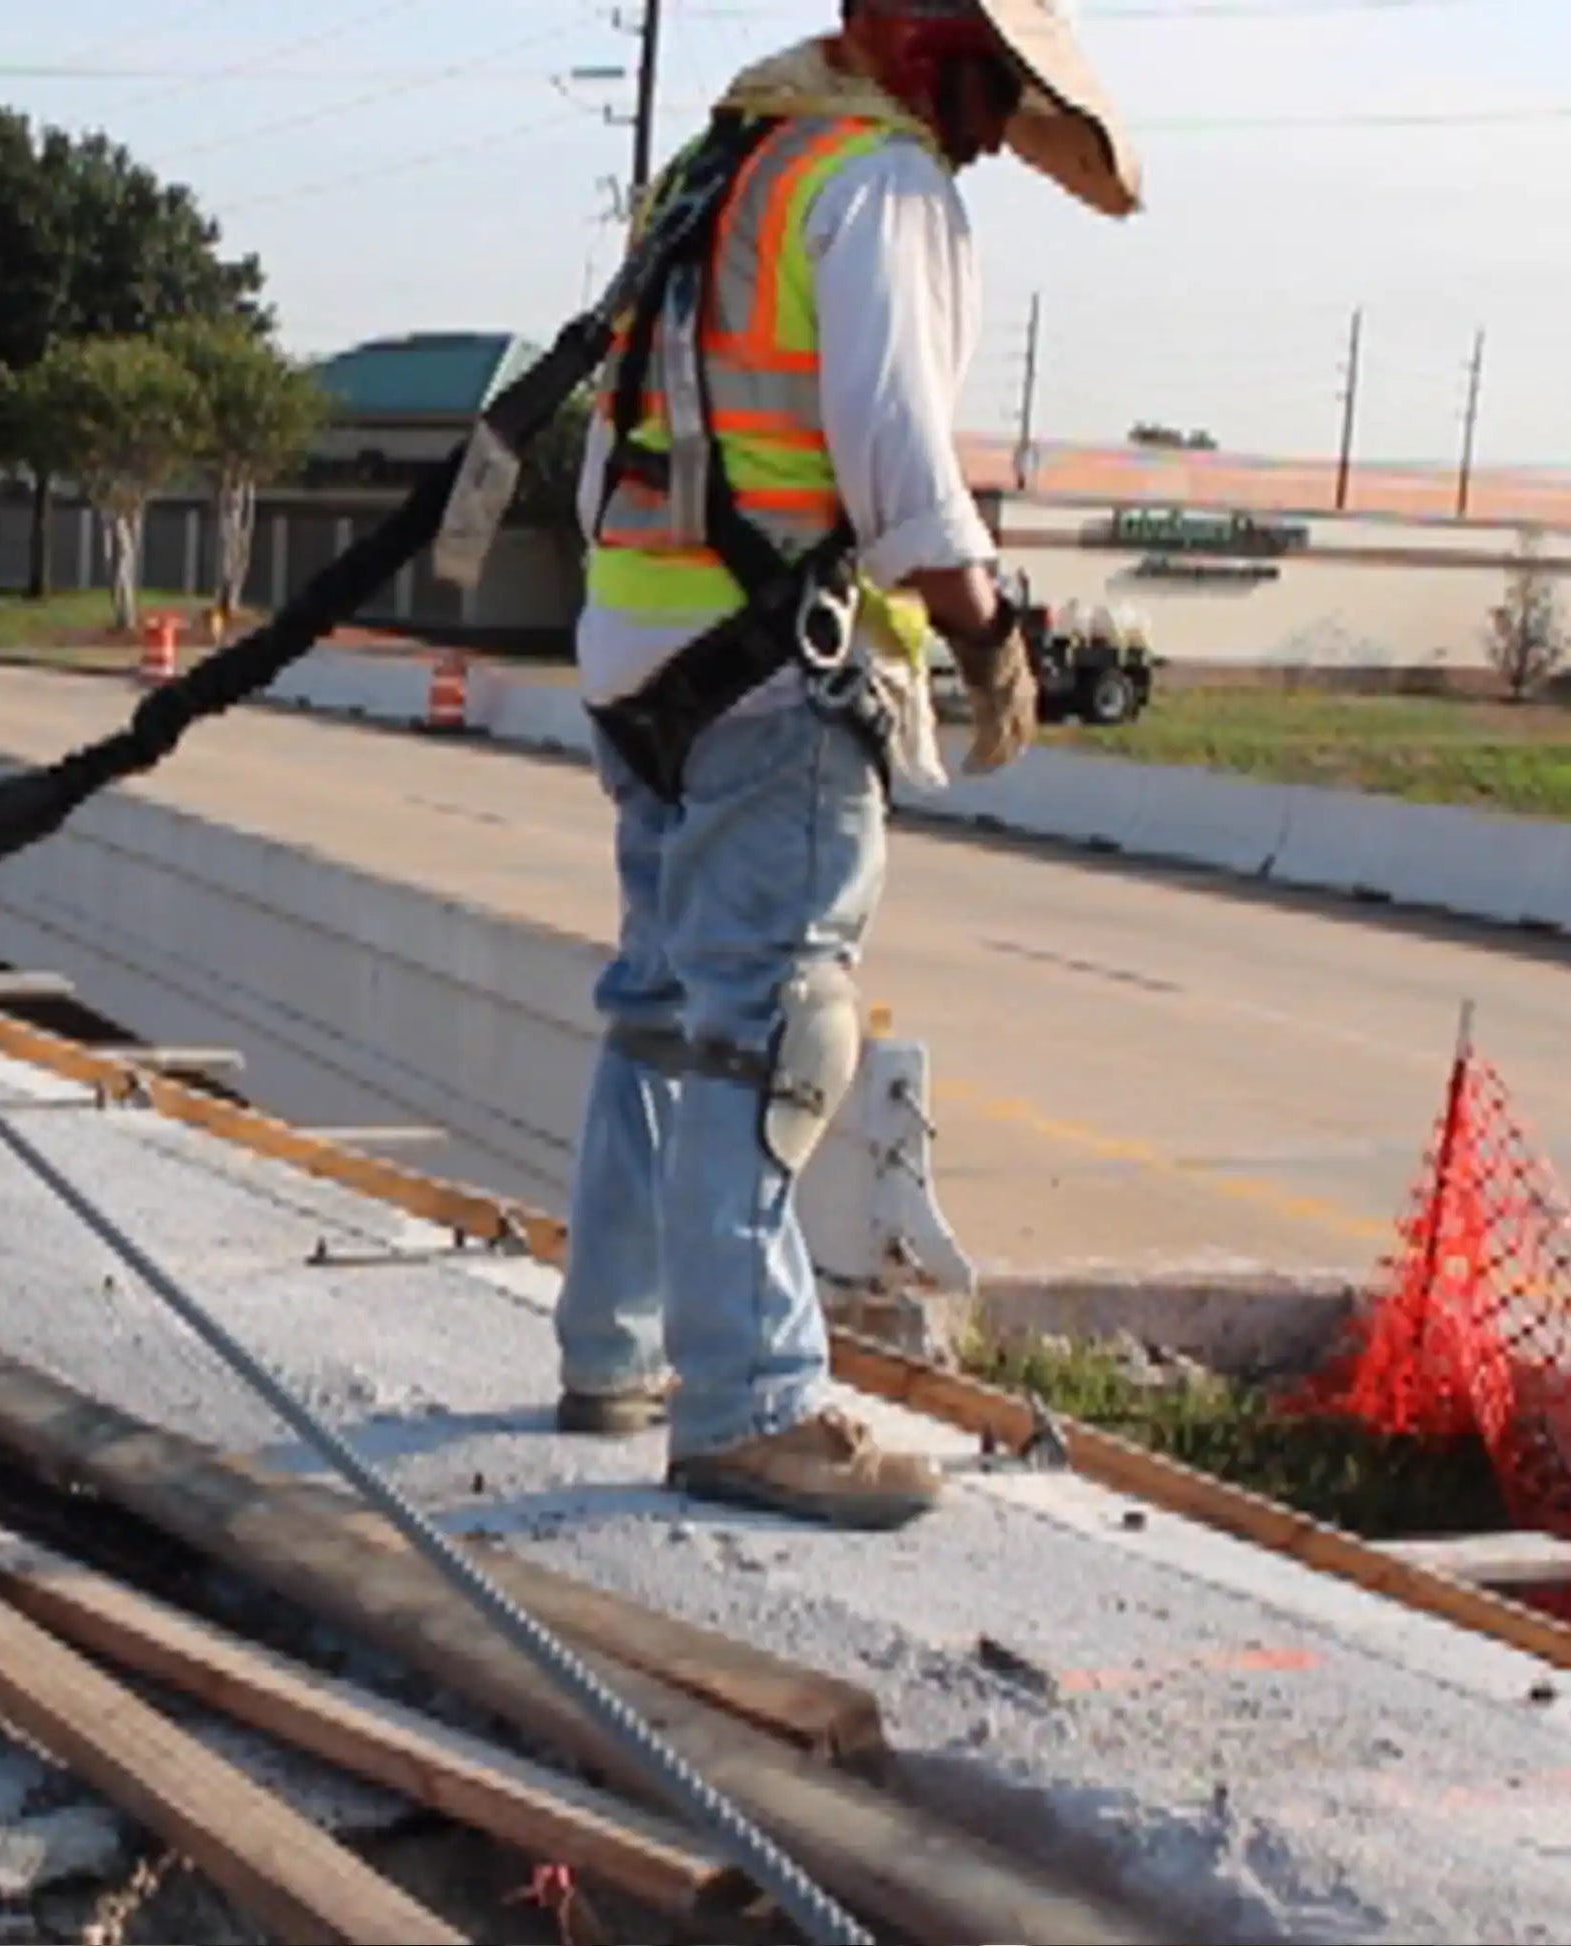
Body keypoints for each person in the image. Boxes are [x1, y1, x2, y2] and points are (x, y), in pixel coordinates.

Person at [552, 0, 1141, 1528]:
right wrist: (986, 632)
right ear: (940, 56)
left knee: (659, 1007)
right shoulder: (881, 186)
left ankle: (611, 1346)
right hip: (774, 675)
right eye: (994, 95)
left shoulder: (730, 155)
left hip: (641, 648)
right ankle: (747, 1403)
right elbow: (900, 472)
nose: (995, 133)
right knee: (772, 1028)